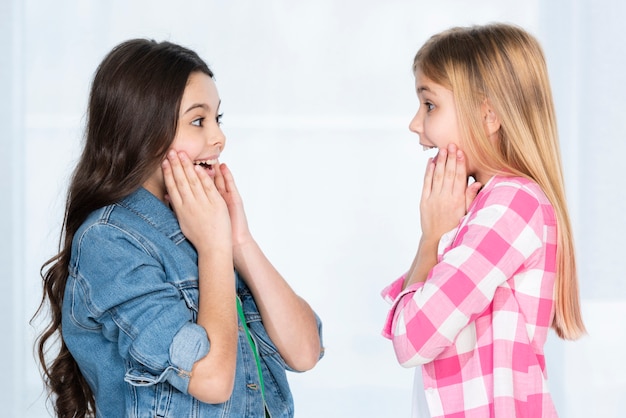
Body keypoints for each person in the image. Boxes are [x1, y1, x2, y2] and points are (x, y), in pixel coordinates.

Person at [34, 38, 323, 418]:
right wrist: (215, 248)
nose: (219, 138)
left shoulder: (203, 226)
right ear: (143, 129)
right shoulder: (110, 240)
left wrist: (239, 240)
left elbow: (305, 352)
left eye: (217, 119)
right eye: (198, 120)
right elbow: (212, 379)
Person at [381, 23, 585, 418]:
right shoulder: (485, 206)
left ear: (488, 115)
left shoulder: (511, 207)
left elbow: (412, 339)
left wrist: (431, 240)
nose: (415, 124)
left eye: (430, 105)